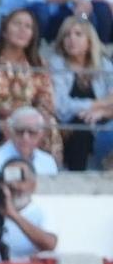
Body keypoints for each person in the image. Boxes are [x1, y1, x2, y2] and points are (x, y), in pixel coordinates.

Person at [0, 6, 60, 158]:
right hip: (0, 117)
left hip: (33, 118)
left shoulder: (38, 64)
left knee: (49, 124)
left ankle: (48, 171)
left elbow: (46, 99)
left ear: (32, 35)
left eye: (28, 26)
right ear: (4, 31)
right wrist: (18, 115)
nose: (22, 29)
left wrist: (36, 115)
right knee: (14, 126)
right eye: (17, 24)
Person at [48, 13, 113, 170]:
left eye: (78, 34)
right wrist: (99, 104)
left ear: (89, 41)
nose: (71, 39)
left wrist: (103, 112)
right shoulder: (56, 64)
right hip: (69, 124)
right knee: (81, 125)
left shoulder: (103, 64)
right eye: (67, 35)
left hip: (103, 122)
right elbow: (61, 107)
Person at [0, 158, 58, 259]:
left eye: (21, 179)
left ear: (33, 185)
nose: (14, 185)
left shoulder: (43, 212)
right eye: (10, 178)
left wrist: (14, 215)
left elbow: (50, 244)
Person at [0, 104, 61, 174]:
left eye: (31, 132)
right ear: (11, 132)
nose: (25, 138)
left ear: (40, 135)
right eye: (20, 131)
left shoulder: (48, 162)